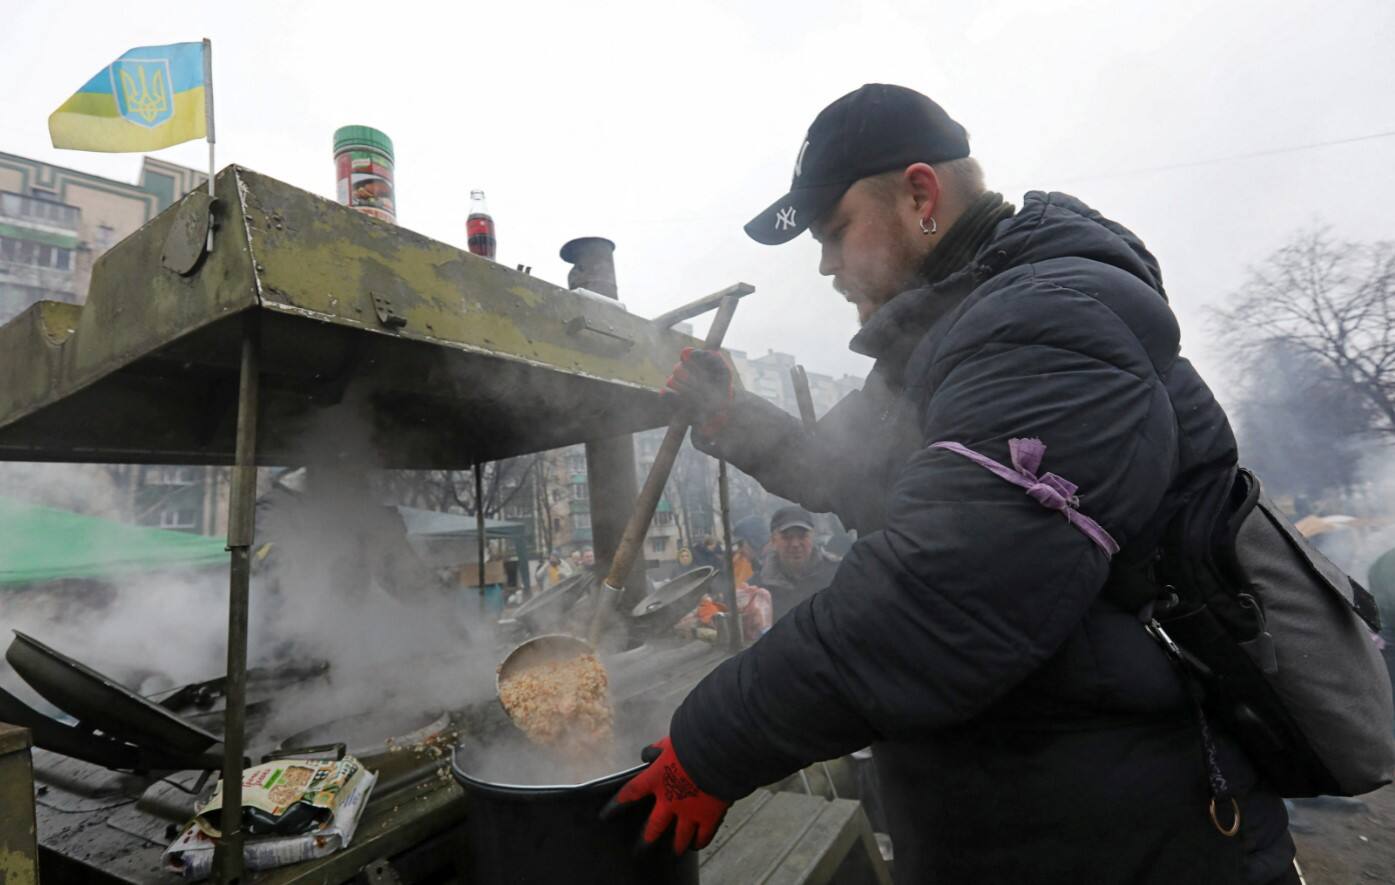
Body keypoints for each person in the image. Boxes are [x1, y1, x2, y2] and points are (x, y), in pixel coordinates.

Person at [609, 84, 1294, 883]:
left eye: (834, 232)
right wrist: (732, 415)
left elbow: (943, 594)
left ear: (920, 195)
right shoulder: (948, 343)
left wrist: (714, 741)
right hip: (1021, 819)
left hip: (1122, 832)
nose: (826, 265)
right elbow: (847, 472)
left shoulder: (1047, 323)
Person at [754, 505, 840, 620]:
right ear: (773, 541)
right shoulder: (757, 588)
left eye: (802, 536)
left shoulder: (837, 575)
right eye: (787, 537)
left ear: (812, 537)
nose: (795, 544)